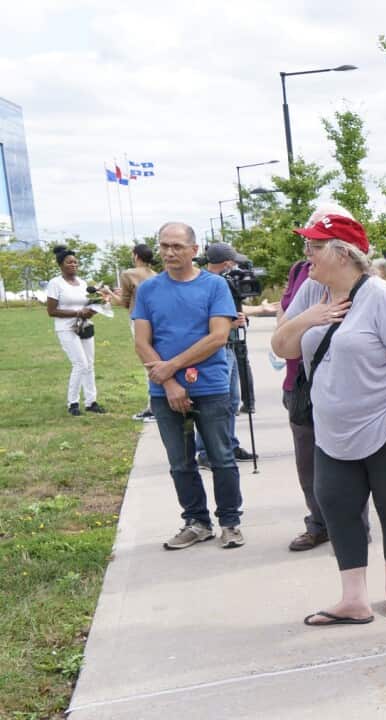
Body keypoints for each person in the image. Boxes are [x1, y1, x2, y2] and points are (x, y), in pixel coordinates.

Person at [272, 213, 386, 626]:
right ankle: (354, 600)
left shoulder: (382, 297)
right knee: (337, 505)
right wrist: (311, 317)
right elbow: (282, 347)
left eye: (314, 247)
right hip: (332, 429)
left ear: (341, 253)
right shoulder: (313, 290)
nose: (306, 255)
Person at [132, 222, 245, 550]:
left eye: (177, 246)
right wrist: (168, 382)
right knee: (180, 462)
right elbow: (142, 342)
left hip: (210, 387)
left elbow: (218, 337)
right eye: (164, 245)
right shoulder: (149, 290)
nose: (169, 252)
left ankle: (230, 522)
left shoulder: (215, 287)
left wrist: (173, 365)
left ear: (194, 250)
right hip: (164, 392)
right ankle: (196, 522)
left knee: (221, 457)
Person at [278, 203, 368, 552]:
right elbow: (283, 327)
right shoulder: (301, 273)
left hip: (345, 389)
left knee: (349, 465)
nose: (309, 246)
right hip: (300, 382)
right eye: (309, 236)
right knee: (308, 463)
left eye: (318, 238)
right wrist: (305, 319)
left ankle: (353, 529)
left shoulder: (367, 282)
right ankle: (318, 523)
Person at [192, 242, 258, 467]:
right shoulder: (204, 284)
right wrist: (231, 323)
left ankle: (229, 444)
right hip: (217, 348)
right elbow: (204, 320)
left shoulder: (226, 282)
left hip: (231, 346)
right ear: (227, 262)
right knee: (213, 403)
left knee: (231, 401)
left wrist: (239, 318)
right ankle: (205, 451)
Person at [45, 245, 114, 416]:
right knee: (80, 363)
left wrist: (100, 303)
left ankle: (91, 402)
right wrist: (77, 312)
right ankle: (73, 403)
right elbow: (51, 311)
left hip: (84, 326)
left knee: (89, 365)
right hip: (66, 328)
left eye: (76, 262)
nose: (74, 265)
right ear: (61, 265)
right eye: (69, 262)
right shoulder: (55, 283)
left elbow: (86, 305)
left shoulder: (83, 283)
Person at [118, 242, 158, 421]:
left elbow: (124, 302)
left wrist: (109, 294)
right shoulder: (156, 275)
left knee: (147, 362)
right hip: (157, 320)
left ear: (136, 256)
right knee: (157, 358)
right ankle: (156, 403)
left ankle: (154, 406)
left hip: (138, 321)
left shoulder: (128, 274)